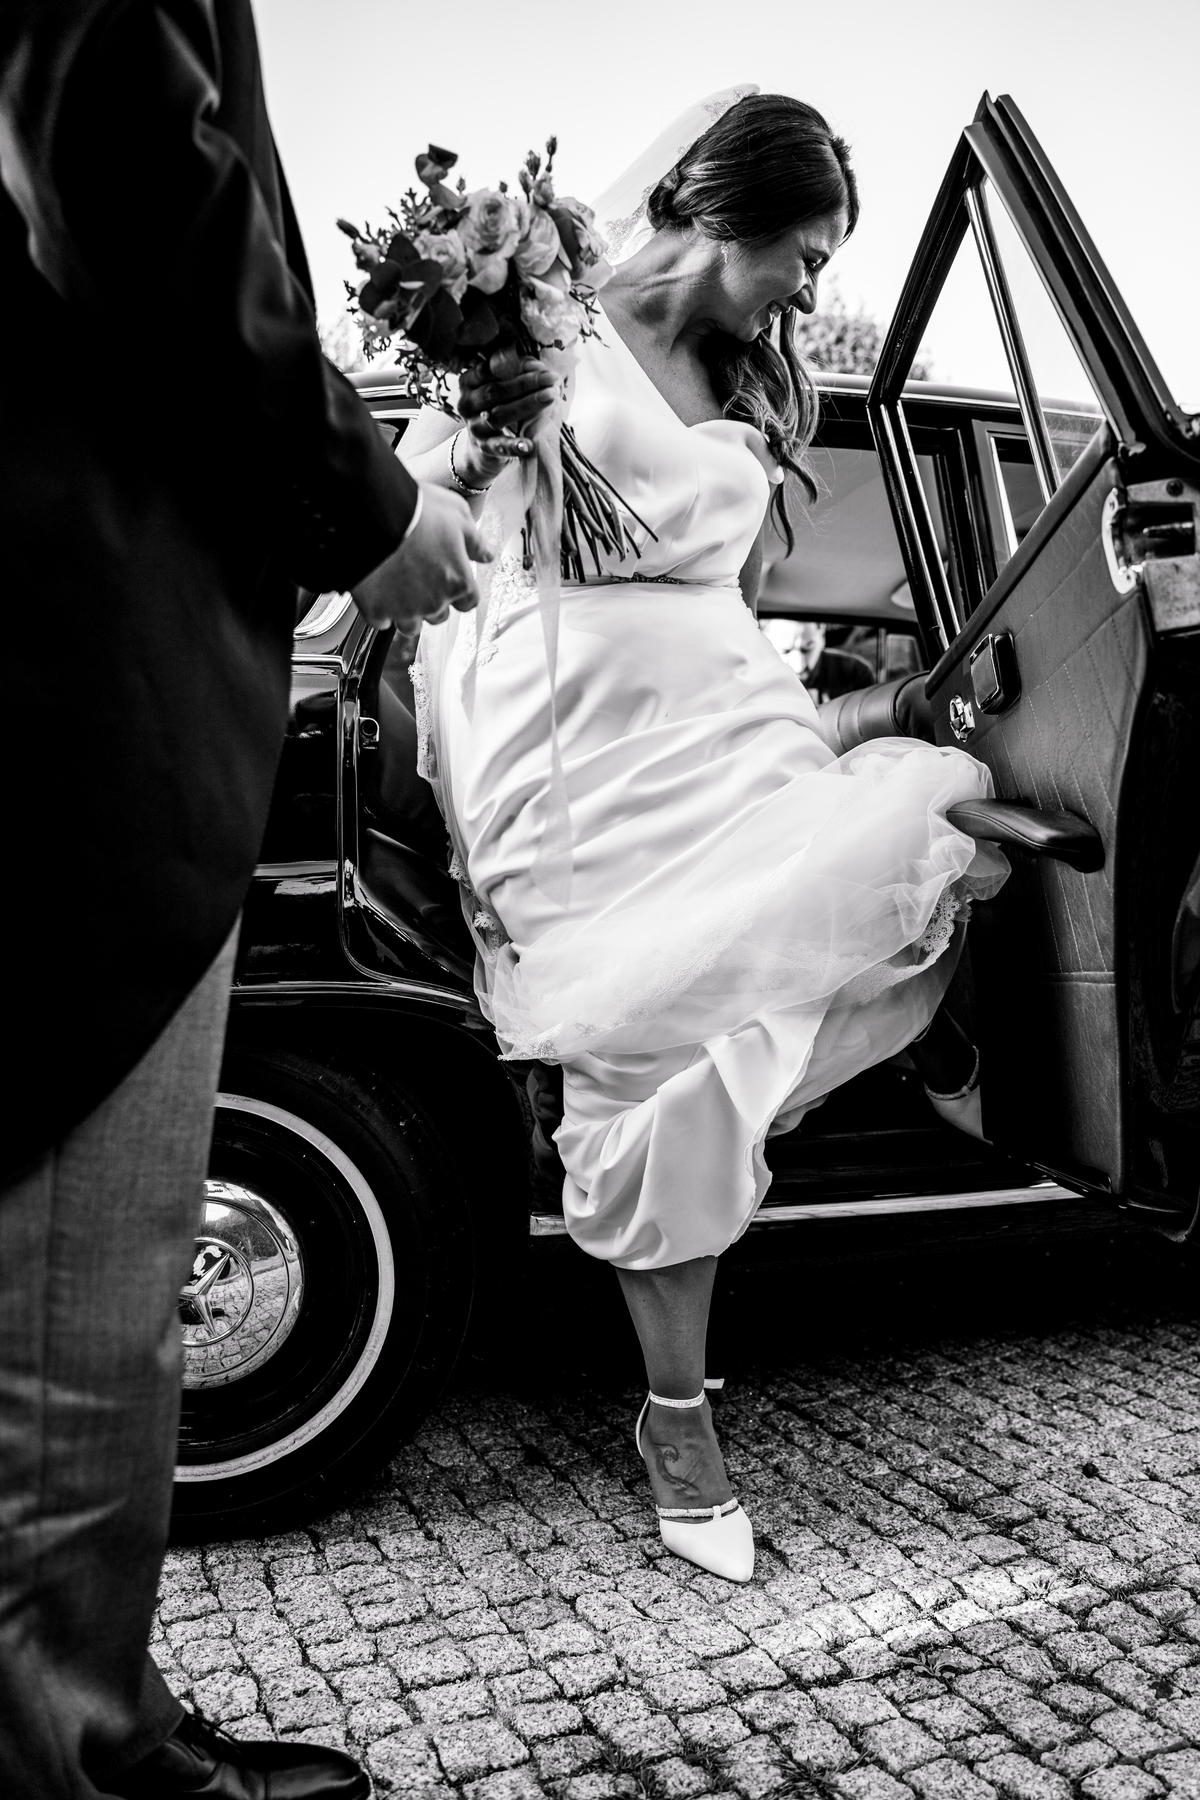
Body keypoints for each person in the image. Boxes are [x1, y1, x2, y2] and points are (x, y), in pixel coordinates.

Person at [0, 4, 537, 1796]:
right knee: (81, 1291)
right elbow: (118, 143)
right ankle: (78, 1754)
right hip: (87, 678)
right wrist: (362, 498)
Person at [403, 90, 1007, 1587]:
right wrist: (472, 449)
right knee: (642, 1054)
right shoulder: (538, 323)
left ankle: (696, 1378)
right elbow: (417, 505)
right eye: (806, 255)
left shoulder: (748, 376)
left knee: (926, 836)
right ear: (725, 213)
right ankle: (676, 1420)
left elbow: (724, 600)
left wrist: (857, 710)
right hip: (566, 743)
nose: (808, 290)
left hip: (729, 727)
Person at [760, 615, 875, 703]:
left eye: (808, 649)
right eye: (785, 651)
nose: (799, 667)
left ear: (822, 636)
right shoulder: (755, 680)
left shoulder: (855, 673)